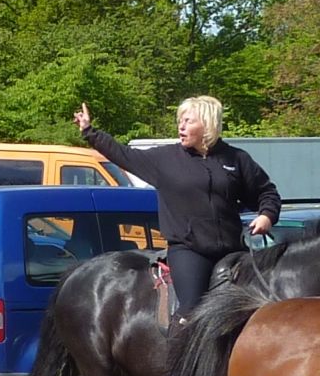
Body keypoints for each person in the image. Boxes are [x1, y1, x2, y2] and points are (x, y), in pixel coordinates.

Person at [75, 96, 280, 322]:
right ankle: (179, 343)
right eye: (180, 121)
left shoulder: (236, 159)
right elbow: (124, 155)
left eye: (188, 121)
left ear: (208, 124)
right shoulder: (165, 159)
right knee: (192, 313)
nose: (181, 126)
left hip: (233, 251)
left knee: (260, 305)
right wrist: (90, 132)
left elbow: (267, 193)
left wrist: (267, 216)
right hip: (189, 251)